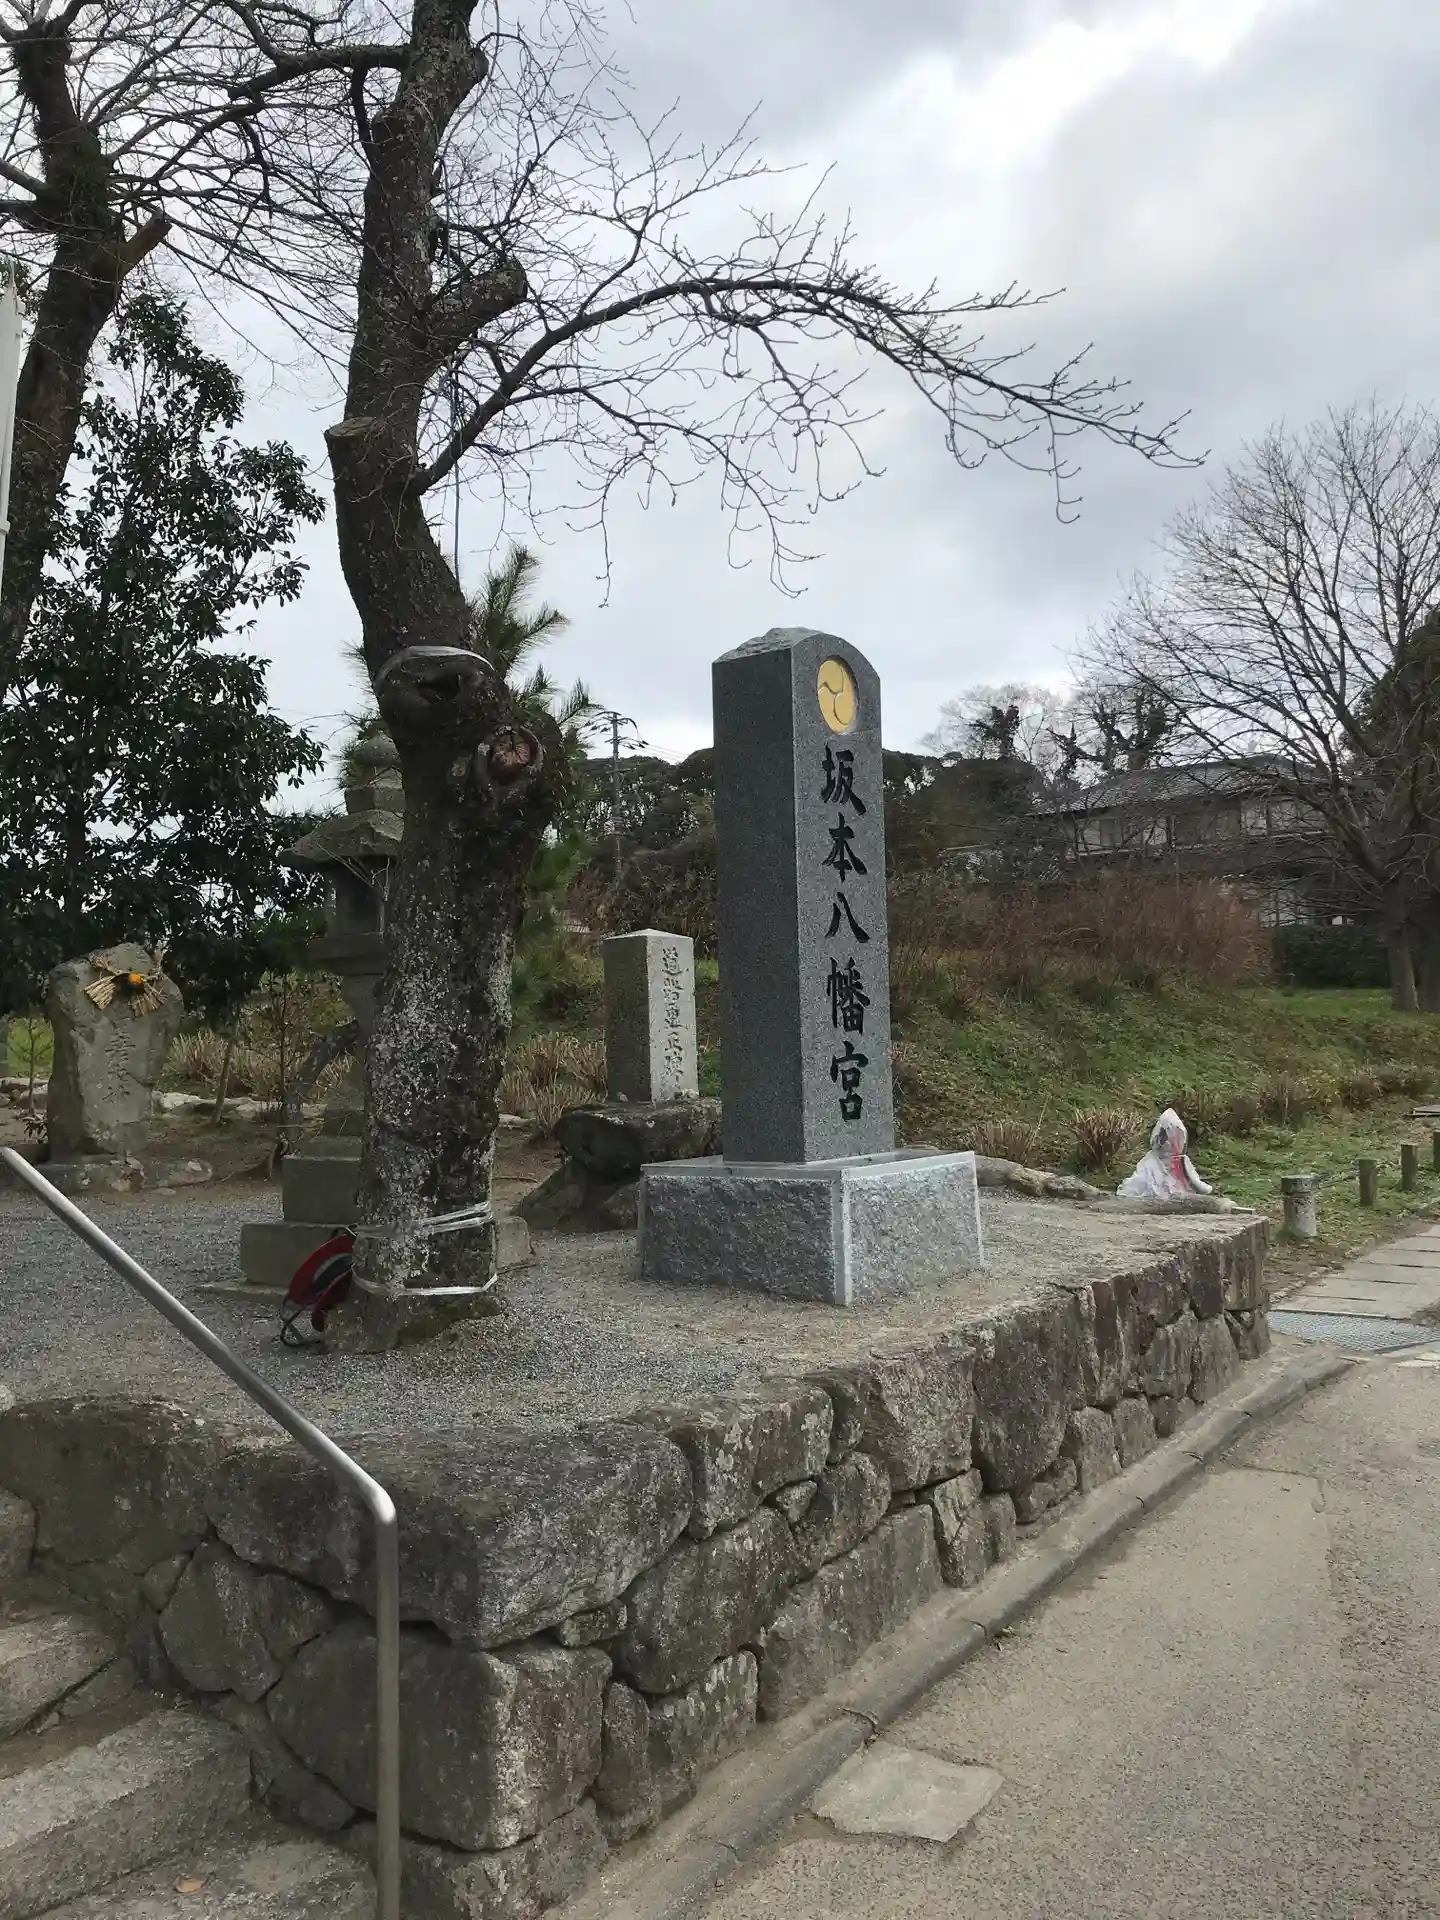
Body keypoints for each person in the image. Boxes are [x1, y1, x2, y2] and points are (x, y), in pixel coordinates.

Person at [1117, 1107, 1213, 1200]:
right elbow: (1135, 1186)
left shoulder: (1182, 1162)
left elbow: (1200, 1187)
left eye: (1175, 1139)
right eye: (1167, 1139)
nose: (1170, 1143)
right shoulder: (1150, 1164)